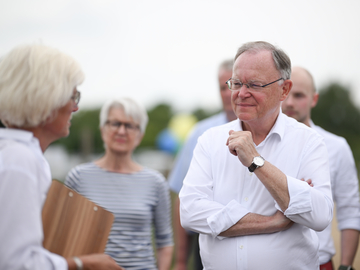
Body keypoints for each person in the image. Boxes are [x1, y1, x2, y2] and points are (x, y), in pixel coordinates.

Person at [179, 41, 334, 269]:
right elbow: (189, 213)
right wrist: (272, 222)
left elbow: (320, 216)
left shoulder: (308, 142)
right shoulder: (210, 140)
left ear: (284, 89)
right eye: (236, 83)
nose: (241, 93)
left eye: (254, 84)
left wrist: (256, 161)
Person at [0, 44, 123, 270]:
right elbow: (14, 262)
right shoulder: (19, 160)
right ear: (46, 98)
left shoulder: (18, 154)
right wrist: (81, 263)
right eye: (72, 96)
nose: (75, 107)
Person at [65, 97, 174, 270]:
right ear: (102, 129)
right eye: (115, 123)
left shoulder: (155, 182)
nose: (122, 131)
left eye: (130, 125)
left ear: (140, 135)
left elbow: (164, 241)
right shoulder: (78, 177)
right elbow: (65, 235)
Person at [282, 66, 360, 270]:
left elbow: (350, 210)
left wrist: (346, 266)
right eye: (286, 93)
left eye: (298, 95)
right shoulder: (259, 145)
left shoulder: (336, 147)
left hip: (319, 262)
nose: (290, 102)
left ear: (314, 99)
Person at [168, 59, 236, 270]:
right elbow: (182, 196)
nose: (226, 93)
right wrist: (180, 261)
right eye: (221, 87)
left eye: (231, 85)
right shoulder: (200, 133)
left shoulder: (265, 131)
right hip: (207, 240)